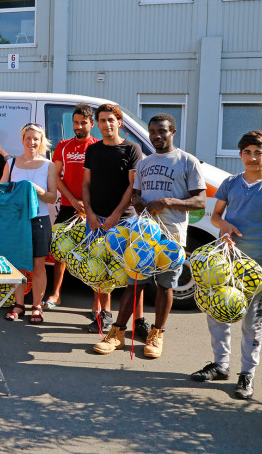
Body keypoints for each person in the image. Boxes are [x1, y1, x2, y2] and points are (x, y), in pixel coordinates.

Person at [94, 113, 205, 358]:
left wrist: (167, 202)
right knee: (134, 284)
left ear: (172, 132)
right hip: (142, 235)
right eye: (152, 132)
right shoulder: (144, 163)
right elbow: (134, 194)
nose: (156, 136)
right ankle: (118, 334)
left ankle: (157, 334)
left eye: (162, 131)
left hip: (171, 237)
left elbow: (200, 201)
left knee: (165, 286)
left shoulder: (187, 161)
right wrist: (139, 201)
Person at [190, 130, 262, 399]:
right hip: (227, 262)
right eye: (247, 152)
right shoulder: (231, 183)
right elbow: (217, 216)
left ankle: (247, 374)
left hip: (257, 268)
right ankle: (220, 366)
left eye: (258, 152)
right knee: (218, 312)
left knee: (251, 323)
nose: (252, 157)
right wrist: (225, 226)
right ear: (240, 155)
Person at [82, 104, 142, 334]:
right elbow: (86, 184)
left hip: (125, 220)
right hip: (95, 220)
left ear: (120, 123)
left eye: (111, 120)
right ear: (97, 124)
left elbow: (132, 186)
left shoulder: (132, 149)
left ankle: (137, 321)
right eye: (102, 120)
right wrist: (90, 213)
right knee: (100, 270)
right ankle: (104, 314)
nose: (107, 124)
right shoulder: (93, 150)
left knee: (132, 271)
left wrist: (116, 216)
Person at [1, 123, 57, 324]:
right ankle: (18, 305)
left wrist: (36, 190)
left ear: (41, 141)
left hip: (39, 220)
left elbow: (52, 197)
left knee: (38, 266)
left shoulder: (49, 165)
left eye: (36, 139)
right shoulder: (12, 164)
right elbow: (2, 191)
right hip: (17, 221)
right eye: (28, 138)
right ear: (22, 139)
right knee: (17, 264)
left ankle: (36, 306)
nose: (32, 142)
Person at [47, 103, 98, 310]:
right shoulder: (63, 146)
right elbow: (56, 177)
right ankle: (56, 294)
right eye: (76, 123)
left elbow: (100, 180)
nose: (79, 126)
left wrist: (86, 205)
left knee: (96, 253)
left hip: (92, 209)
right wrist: (74, 201)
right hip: (68, 206)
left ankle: (98, 304)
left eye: (83, 123)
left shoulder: (97, 146)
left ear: (91, 124)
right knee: (60, 252)